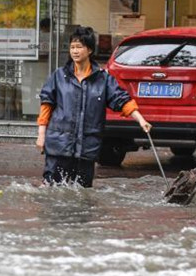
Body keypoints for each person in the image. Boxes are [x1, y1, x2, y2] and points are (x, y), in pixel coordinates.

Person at [36, 26, 151, 187]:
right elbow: (46, 104)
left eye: (79, 47)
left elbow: (121, 100)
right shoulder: (59, 76)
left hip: (86, 149)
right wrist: (41, 135)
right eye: (72, 47)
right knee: (51, 189)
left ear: (89, 50)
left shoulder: (103, 79)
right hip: (59, 146)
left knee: (82, 194)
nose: (75, 51)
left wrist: (140, 119)